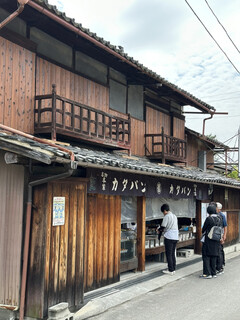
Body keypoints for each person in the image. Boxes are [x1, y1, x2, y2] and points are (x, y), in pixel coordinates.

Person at [200, 205, 222, 279]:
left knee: (206, 256)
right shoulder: (219, 218)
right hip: (216, 240)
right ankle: (213, 273)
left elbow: (203, 229)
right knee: (214, 255)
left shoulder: (209, 219)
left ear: (208, 211)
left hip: (208, 240)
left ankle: (207, 273)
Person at [157, 203, 179, 275]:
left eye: (163, 212)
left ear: (164, 211)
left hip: (169, 236)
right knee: (173, 253)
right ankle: (173, 268)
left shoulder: (167, 216)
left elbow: (163, 227)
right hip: (175, 236)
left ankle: (170, 270)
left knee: (168, 253)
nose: (163, 214)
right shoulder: (174, 216)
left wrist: (158, 230)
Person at [216, 202, 227, 274]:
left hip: (220, 234)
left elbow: (225, 226)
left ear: (218, 209)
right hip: (216, 235)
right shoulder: (215, 215)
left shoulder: (222, 215)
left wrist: (224, 236)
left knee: (220, 250)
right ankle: (219, 265)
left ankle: (220, 266)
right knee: (218, 250)